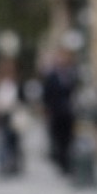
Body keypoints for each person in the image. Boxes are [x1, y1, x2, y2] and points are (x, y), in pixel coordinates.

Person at [42, 48, 78, 176]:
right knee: (58, 139)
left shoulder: (72, 74)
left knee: (69, 139)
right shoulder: (51, 76)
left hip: (69, 113)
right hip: (56, 112)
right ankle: (62, 163)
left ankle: (67, 163)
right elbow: (46, 95)